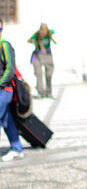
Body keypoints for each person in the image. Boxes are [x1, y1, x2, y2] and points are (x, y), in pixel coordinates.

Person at [0, 21, 24, 162]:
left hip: (5, 90)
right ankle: (17, 148)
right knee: (6, 119)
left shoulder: (4, 45)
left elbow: (10, 68)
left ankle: (16, 149)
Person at [27, 23, 55, 98]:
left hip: (48, 55)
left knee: (49, 74)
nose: (43, 32)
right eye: (42, 30)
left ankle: (49, 91)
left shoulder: (49, 33)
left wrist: (48, 32)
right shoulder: (36, 35)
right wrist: (34, 40)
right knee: (38, 74)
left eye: (45, 30)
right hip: (38, 55)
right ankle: (40, 92)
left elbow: (52, 31)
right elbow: (29, 40)